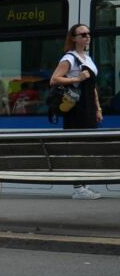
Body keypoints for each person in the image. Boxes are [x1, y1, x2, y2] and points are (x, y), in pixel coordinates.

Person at [50, 23, 103, 200]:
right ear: (74, 38)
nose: (87, 36)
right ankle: (78, 188)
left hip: (88, 108)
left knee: (88, 148)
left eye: (89, 33)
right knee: (77, 148)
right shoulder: (70, 58)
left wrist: (98, 107)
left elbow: (92, 86)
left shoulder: (87, 58)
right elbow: (54, 79)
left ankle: (84, 186)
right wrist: (76, 78)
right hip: (76, 109)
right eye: (82, 34)